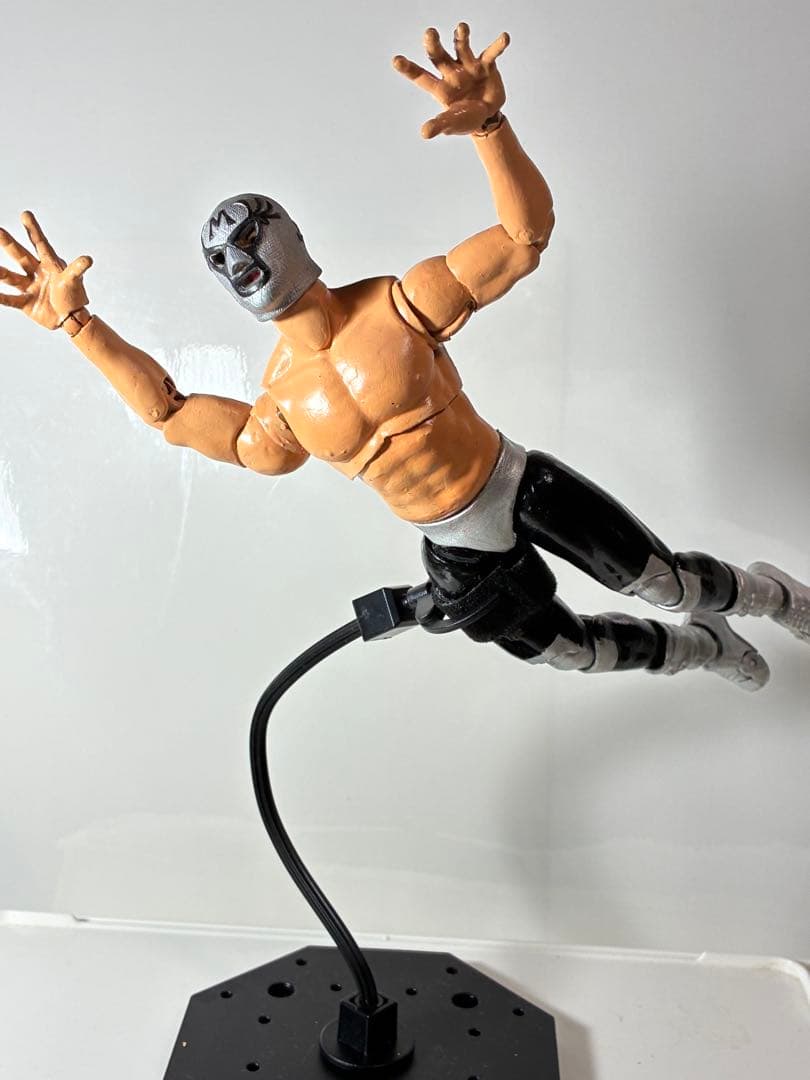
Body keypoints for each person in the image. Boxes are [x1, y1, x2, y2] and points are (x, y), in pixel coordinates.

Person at [1, 23, 806, 691]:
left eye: (249, 236)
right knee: (567, 652)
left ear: (289, 234)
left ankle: (772, 596)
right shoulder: (283, 403)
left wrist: (491, 129)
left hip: (515, 482)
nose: (242, 260)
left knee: (661, 580)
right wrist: (79, 326)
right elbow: (173, 415)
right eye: (222, 259)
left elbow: (522, 239)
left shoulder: (399, 303)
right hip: (454, 545)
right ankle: (701, 651)